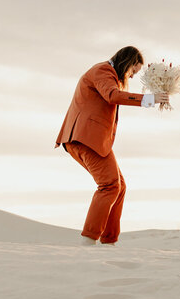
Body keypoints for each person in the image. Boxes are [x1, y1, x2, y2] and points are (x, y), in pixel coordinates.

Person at [55, 46, 168, 245]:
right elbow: (113, 96)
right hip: (84, 138)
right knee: (109, 185)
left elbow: (116, 95)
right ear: (127, 62)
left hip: (92, 140)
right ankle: (88, 241)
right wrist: (149, 99)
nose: (132, 77)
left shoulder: (108, 75)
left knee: (120, 186)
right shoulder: (102, 71)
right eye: (133, 71)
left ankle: (109, 241)